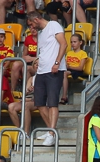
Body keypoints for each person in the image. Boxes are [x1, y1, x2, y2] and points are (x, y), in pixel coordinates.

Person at [26, 12, 66, 146]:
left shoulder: (53, 25)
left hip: (54, 70)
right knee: (39, 103)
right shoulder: (41, 33)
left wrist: (57, 63)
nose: (32, 27)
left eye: (31, 24)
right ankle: (51, 131)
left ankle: (51, 133)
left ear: (36, 19)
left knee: (52, 103)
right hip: (41, 71)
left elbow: (63, 44)